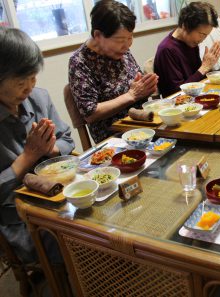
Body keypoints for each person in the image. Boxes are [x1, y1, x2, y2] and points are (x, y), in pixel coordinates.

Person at [0, 28, 75, 263]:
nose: (29, 87)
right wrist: (28, 156)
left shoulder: (38, 98)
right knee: (74, 238)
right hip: (20, 216)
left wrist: (49, 148)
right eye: (22, 81)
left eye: (33, 77)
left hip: (58, 196)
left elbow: (67, 140)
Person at [69, 0, 158, 143]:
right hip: (115, 138)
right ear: (98, 35)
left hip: (143, 124)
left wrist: (146, 88)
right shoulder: (80, 62)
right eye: (120, 40)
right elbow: (90, 113)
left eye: (130, 37)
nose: (127, 45)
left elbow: (136, 87)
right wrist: (131, 95)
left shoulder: (120, 51)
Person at [154, 1, 220, 97]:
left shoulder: (190, 42)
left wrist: (208, 66)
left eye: (206, 35)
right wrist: (204, 68)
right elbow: (177, 93)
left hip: (196, 97)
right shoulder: (167, 50)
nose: (202, 40)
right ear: (185, 25)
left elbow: (198, 79)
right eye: (202, 34)